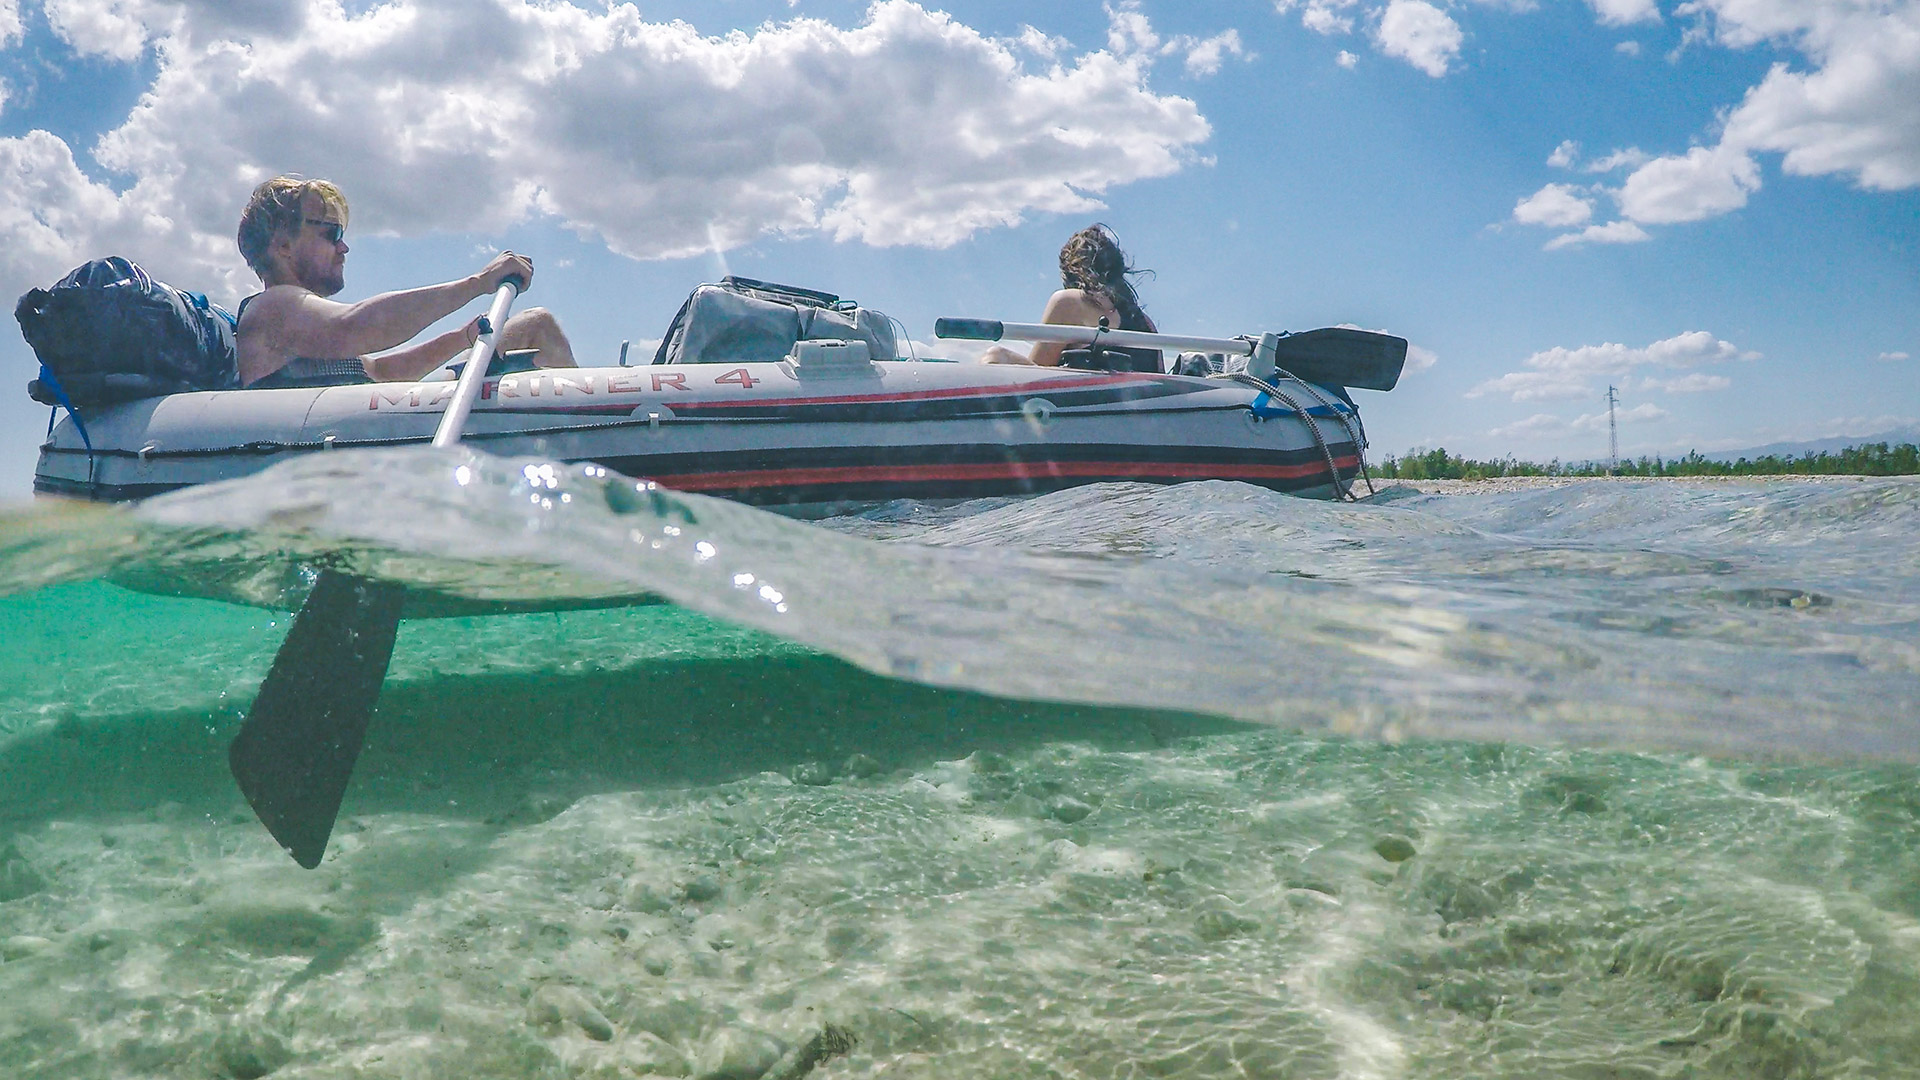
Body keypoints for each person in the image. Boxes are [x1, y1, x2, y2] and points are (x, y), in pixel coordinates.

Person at [233, 175, 576, 388]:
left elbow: (382, 372)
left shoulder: (306, 332)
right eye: (331, 233)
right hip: (369, 445)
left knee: (536, 324)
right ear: (283, 246)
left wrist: (460, 338)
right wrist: (478, 283)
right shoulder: (271, 307)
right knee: (539, 325)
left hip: (386, 425)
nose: (343, 246)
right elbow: (354, 327)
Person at [983, 224, 1159, 369]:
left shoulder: (1070, 303)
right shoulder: (1146, 324)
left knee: (996, 355)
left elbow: (1036, 372)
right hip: (1138, 405)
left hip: (1087, 403)